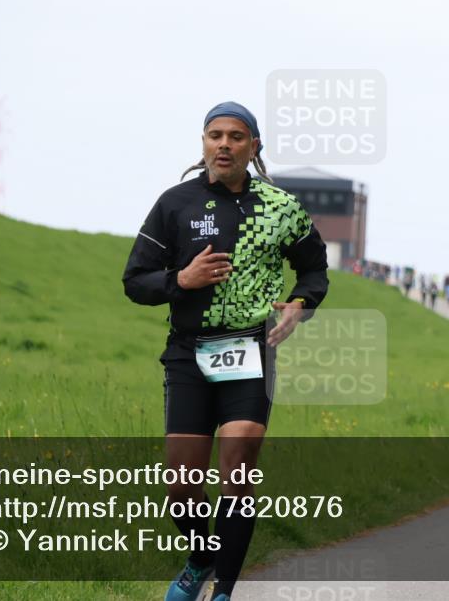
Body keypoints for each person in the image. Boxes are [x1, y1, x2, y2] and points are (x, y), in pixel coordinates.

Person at [122, 101, 328, 601]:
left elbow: (314, 268)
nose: (224, 145)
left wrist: (300, 304)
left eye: (236, 137)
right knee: (181, 485)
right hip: (188, 353)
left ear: (253, 147)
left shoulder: (280, 207)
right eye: (215, 135)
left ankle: (223, 591)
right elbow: (135, 281)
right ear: (203, 143)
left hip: (251, 349)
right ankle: (201, 560)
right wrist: (181, 279)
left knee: (236, 472)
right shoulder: (176, 204)